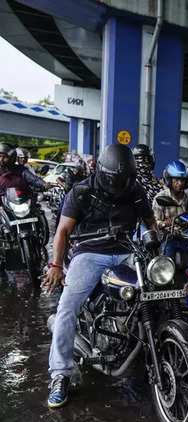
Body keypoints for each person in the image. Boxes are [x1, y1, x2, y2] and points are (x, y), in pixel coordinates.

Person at [42, 143, 156, 408]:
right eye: (115, 180)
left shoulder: (136, 189)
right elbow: (62, 231)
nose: (120, 185)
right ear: (103, 173)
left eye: (125, 180)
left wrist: (157, 239)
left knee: (155, 293)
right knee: (67, 307)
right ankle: (60, 373)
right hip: (90, 252)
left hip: (128, 252)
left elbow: (150, 222)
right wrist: (56, 266)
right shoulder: (82, 191)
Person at [152, 160, 188, 229]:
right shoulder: (160, 197)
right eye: (176, 179)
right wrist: (164, 223)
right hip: (168, 236)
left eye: (182, 180)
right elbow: (154, 223)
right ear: (169, 180)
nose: (180, 183)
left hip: (187, 235)